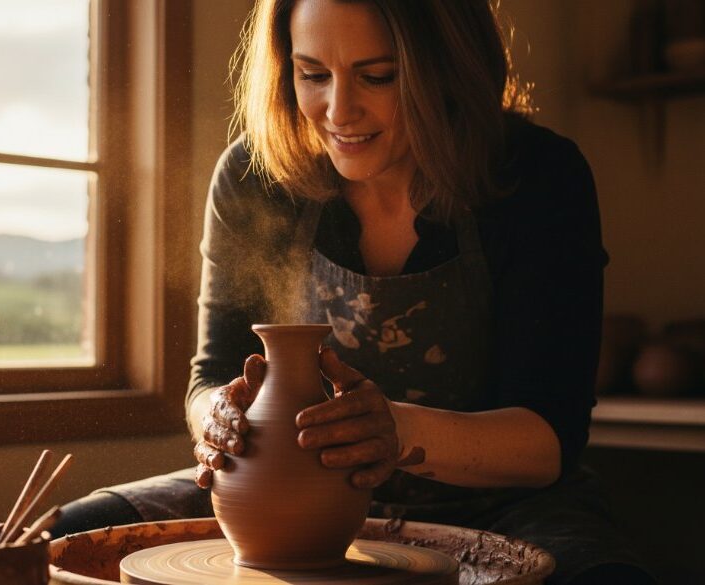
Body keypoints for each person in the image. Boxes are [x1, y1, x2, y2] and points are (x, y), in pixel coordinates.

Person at [53, 1, 656, 583]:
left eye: (378, 77)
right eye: (312, 74)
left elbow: (547, 441)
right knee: (58, 538)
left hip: (497, 504)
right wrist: (216, 418)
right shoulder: (254, 177)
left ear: (447, 66)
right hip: (286, 494)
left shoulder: (534, 177)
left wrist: (395, 430)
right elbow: (210, 375)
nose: (338, 110)